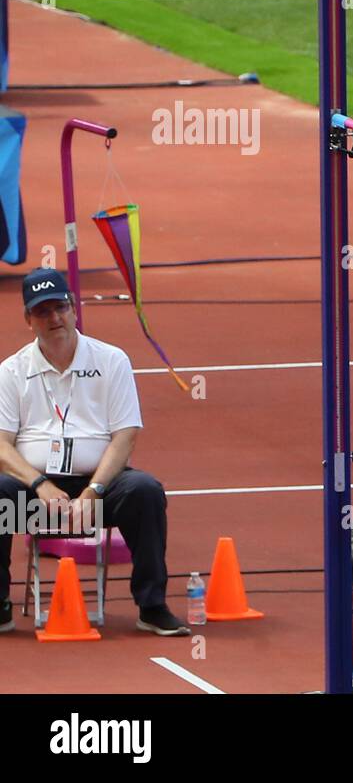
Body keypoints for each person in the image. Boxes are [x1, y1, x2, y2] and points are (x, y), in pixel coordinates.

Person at [0, 268, 189, 635]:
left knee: (145, 491)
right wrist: (40, 484)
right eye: (43, 311)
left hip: (101, 489)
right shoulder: (10, 372)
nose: (54, 318)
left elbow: (125, 437)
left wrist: (93, 491)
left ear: (74, 308)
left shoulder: (111, 361)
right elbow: (1, 446)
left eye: (60, 307)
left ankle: (151, 605)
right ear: (28, 319)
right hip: (35, 496)